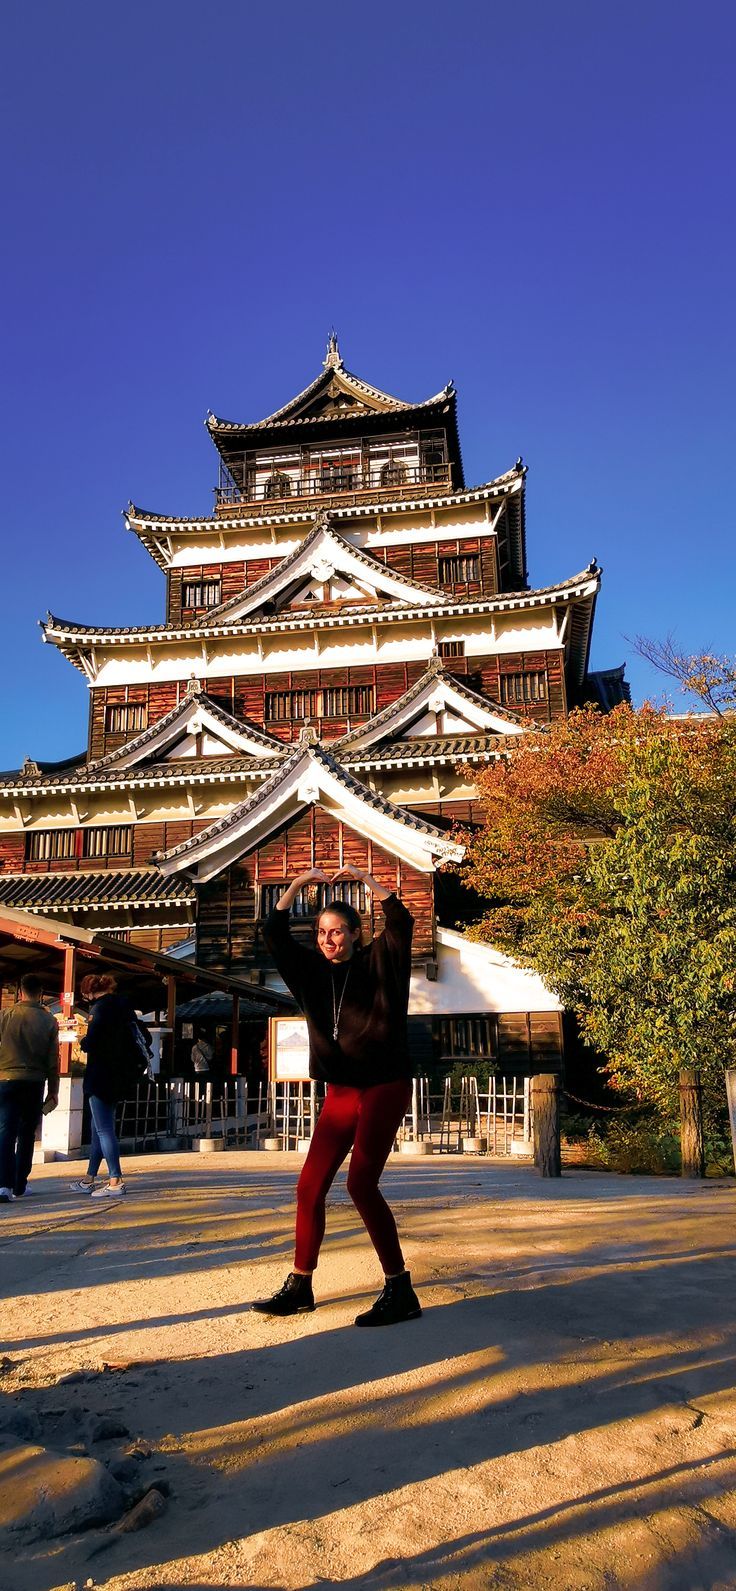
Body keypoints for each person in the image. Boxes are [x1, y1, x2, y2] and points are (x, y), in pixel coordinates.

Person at [256, 863, 421, 1328]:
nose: (329, 940)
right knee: (309, 1186)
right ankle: (301, 1284)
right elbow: (273, 934)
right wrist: (295, 886)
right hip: (341, 1090)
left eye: (338, 931)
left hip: (384, 1084)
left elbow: (401, 922)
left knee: (360, 1184)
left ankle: (399, 1288)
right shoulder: (308, 972)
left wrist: (367, 882)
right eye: (322, 932)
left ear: (354, 934)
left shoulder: (380, 961)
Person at [69, 973, 149, 1199]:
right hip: (121, 1075)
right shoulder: (124, 1007)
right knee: (98, 1127)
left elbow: (91, 1042)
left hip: (100, 1075)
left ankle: (116, 1180)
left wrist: (81, 1040)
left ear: (89, 992)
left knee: (104, 1130)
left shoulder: (99, 1010)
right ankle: (89, 1178)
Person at [0, 973, 59, 1201]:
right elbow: (52, 1060)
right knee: (26, 1133)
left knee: (5, 1131)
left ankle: (3, 1184)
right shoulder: (49, 1020)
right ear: (41, 992)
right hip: (34, 1081)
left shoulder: (5, 1015)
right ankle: (19, 1183)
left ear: (19, 991)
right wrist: (53, 1090)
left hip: (5, 1079)